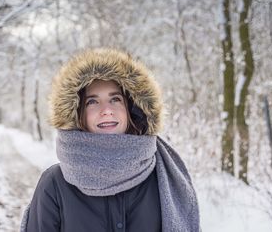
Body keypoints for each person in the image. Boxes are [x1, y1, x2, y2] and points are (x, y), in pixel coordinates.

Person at [20, 48, 200, 232]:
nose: (106, 110)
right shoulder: (54, 184)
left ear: (131, 108)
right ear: (77, 113)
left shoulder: (163, 179)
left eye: (115, 99)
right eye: (92, 101)